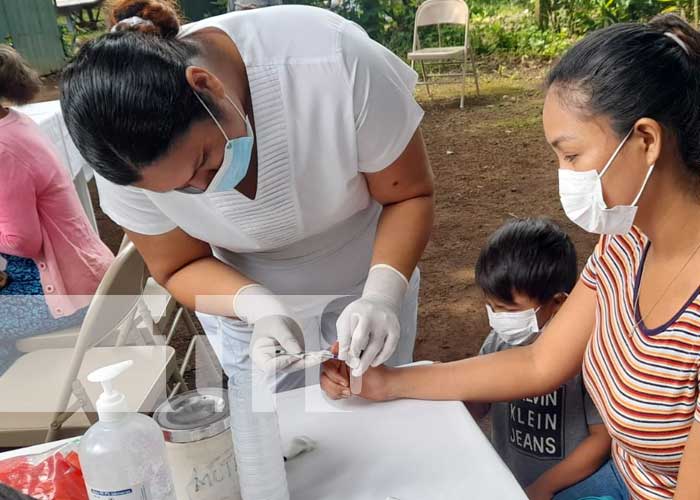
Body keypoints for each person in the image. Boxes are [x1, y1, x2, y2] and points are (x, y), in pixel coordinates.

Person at [322, 13, 700, 500]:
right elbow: (539, 361)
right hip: (624, 478)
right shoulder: (626, 241)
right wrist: (388, 382)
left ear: (646, 141)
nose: (562, 175)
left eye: (571, 156)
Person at [60, 0, 433, 392]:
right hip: (247, 312)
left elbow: (407, 195)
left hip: (367, 277)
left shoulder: (330, 60)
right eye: (177, 190)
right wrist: (258, 307)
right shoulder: (116, 157)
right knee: (278, 437)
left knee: (377, 407)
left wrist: (382, 295)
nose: (202, 188)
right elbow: (176, 265)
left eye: (203, 160)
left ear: (206, 85)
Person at [471, 218, 611, 499]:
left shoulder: (584, 356)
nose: (497, 318)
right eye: (490, 306)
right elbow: (478, 401)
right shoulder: (499, 341)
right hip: (512, 483)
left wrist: (545, 487)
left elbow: (601, 440)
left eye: (507, 308)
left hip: (571, 489)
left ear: (558, 303)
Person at [0, 45, 113, 374]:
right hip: (87, 272)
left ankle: (20, 403)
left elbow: (23, 242)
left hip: (69, 292)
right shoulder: (14, 122)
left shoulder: (3, 148)